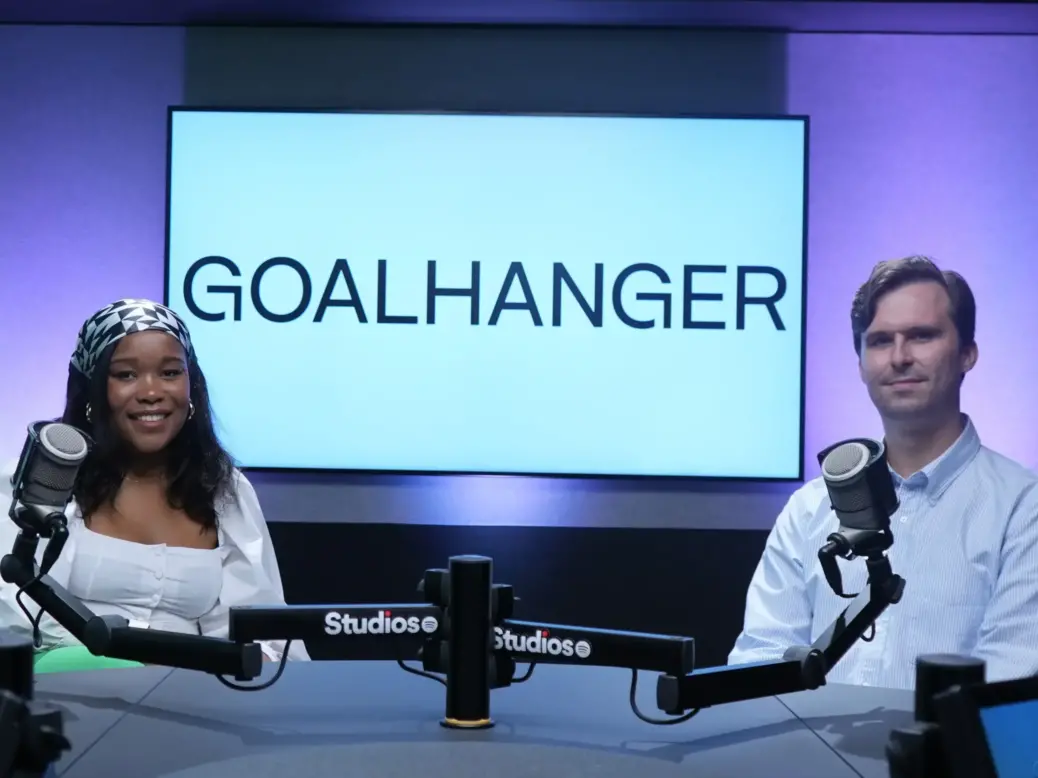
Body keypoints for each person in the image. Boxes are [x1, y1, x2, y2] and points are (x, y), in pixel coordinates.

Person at [728, 256, 1038, 689]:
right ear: (859, 365)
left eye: (921, 336)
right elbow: (759, 665)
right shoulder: (809, 508)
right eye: (879, 341)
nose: (899, 357)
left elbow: (1010, 685)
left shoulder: (1023, 509)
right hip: (806, 756)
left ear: (967, 354)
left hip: (948, 756)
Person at [0, 298, 309, 669]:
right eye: (125, 375)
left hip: (192, 701)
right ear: (93, 391)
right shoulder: (43, 477)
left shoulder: (224, 490)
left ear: (191, 387)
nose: (151, 391)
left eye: (170, 373)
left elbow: (262, 627)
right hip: (68, 693)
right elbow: (13, 620)